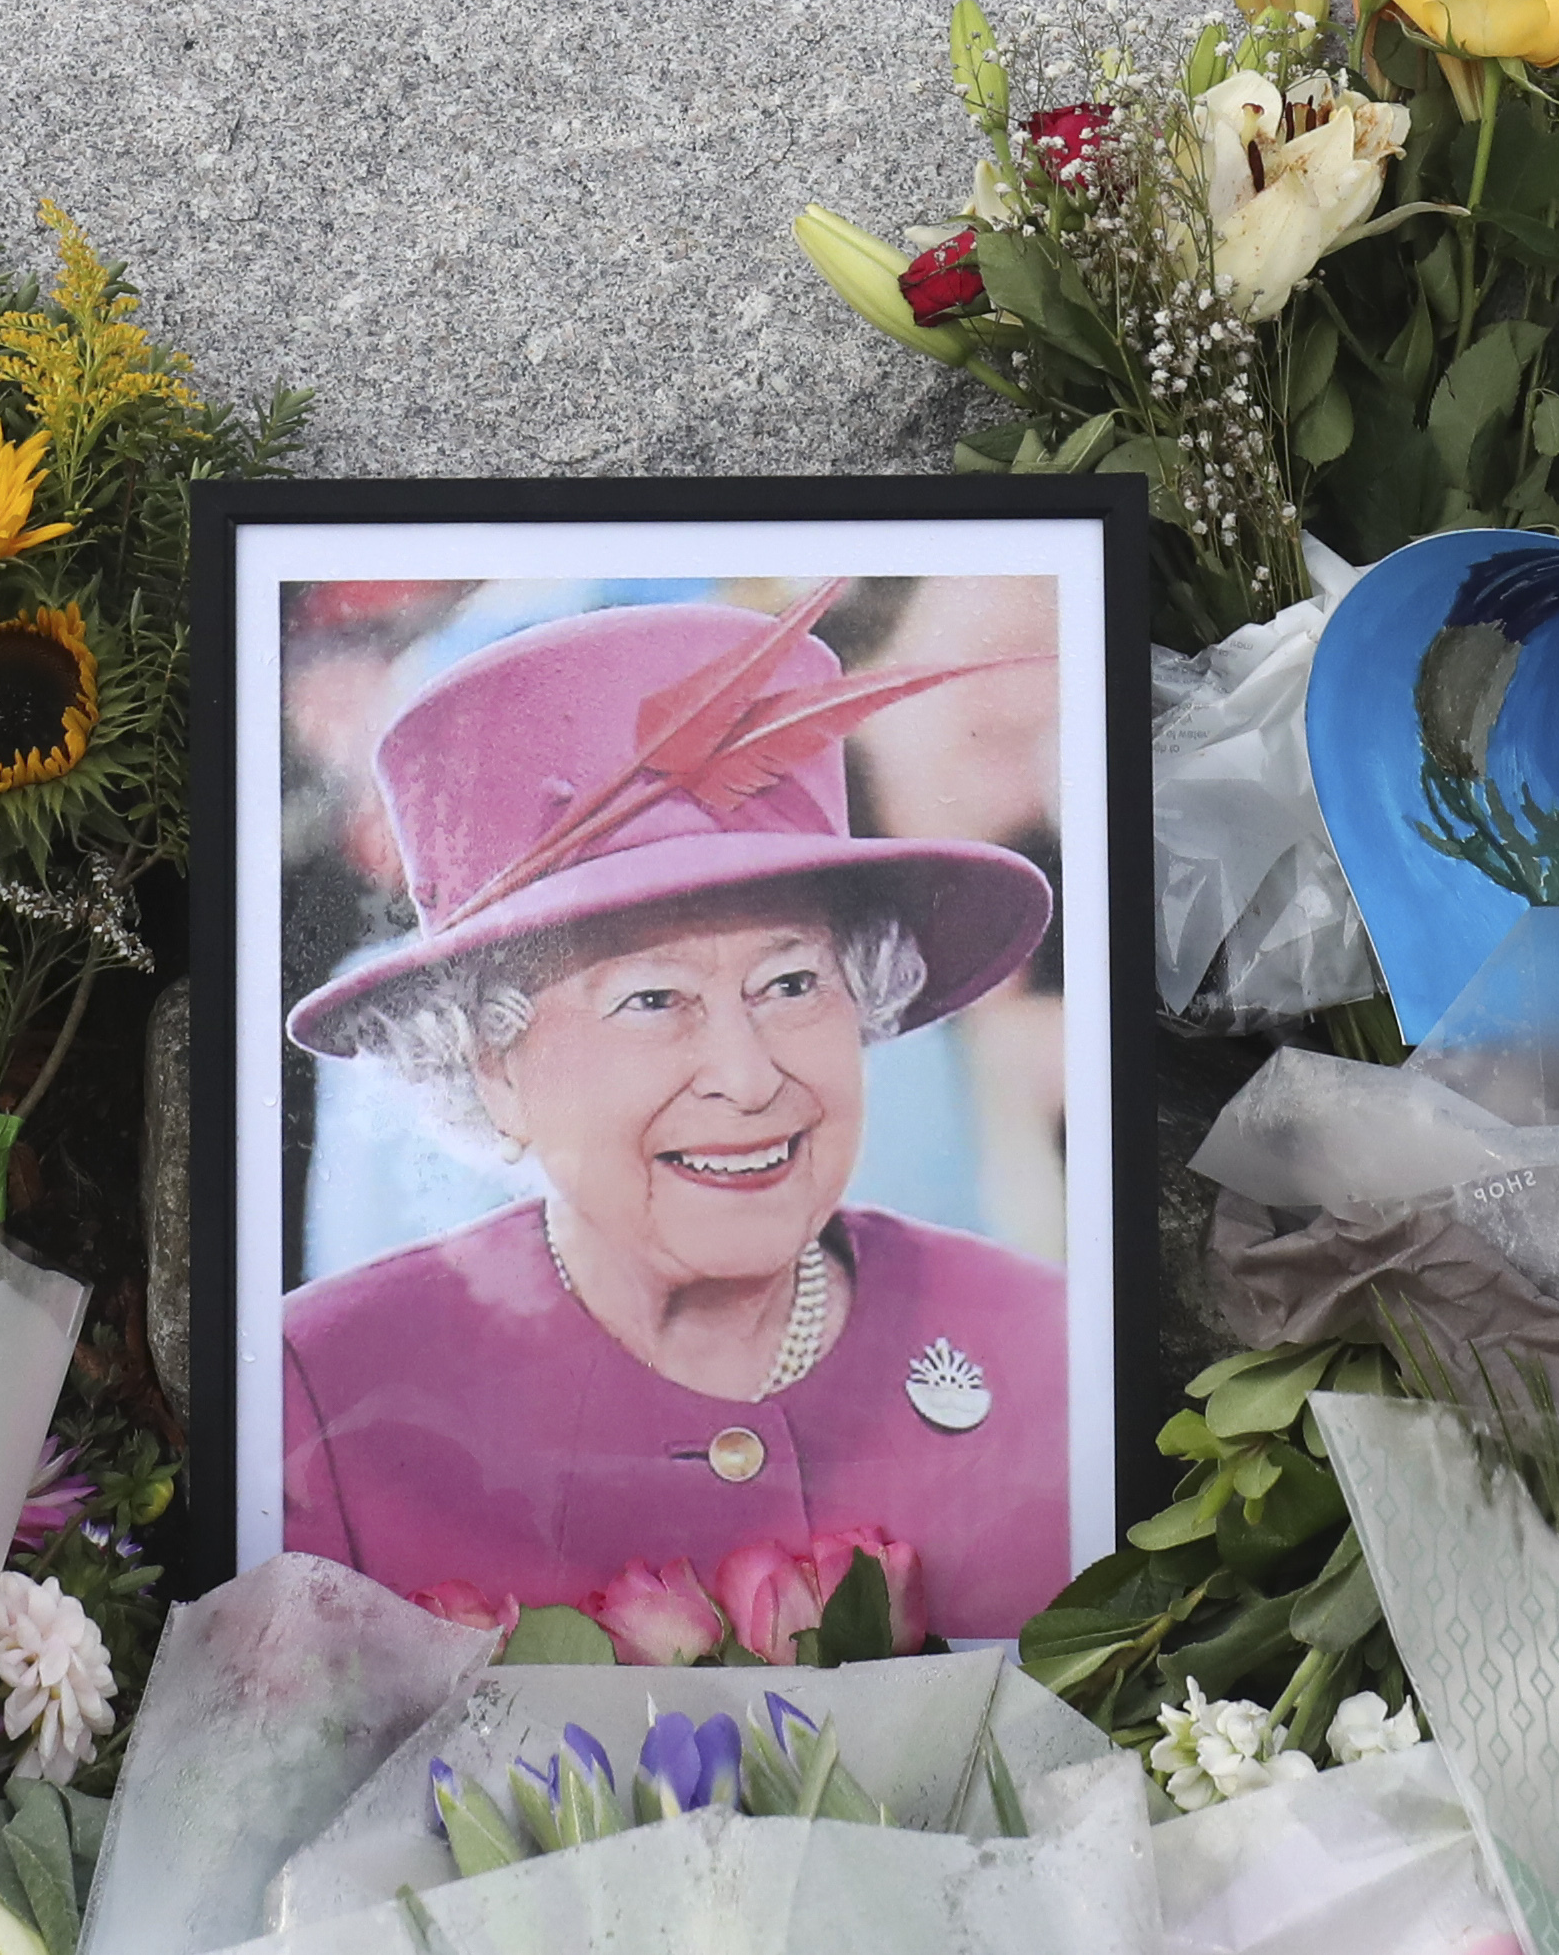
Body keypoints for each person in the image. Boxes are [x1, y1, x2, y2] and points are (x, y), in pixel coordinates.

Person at [278, 597, 1074, 1640]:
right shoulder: (327, 1394)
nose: (747, 1078)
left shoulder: (1035, 1342)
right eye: (651, 1000)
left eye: (792, 982)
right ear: (494, 1068)